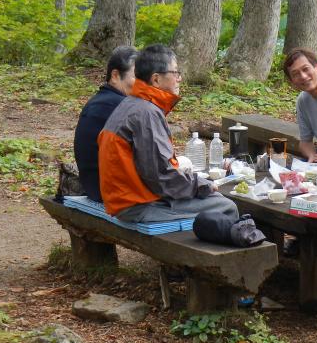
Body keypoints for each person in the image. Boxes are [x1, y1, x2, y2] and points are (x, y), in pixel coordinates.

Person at [98, 44, 238, 223]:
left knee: (213, 200)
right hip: (137, 205)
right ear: (156, 79)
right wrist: (202, 185)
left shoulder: (132, 104)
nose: (179, 79)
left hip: (128, 198)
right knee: (225, 207)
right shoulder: (146, 113)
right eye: (175, 73)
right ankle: (200, 251)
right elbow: (161, 176)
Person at [73, 46, 138, 201]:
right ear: (115, 75)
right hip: (111, 191)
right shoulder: (114, 106)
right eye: (136, 77)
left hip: (97, 186)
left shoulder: (104, 101)